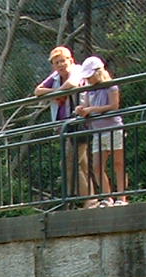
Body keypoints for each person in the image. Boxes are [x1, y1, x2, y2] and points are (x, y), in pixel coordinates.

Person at [34, 46, 92, 207]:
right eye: (56, 62)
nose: (60, 65)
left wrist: (57, 92)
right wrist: (57, 91)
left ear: (70, 60)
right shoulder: (55, 77)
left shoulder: (78, 70)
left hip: (80, 122)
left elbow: (73, 83)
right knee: (82, 164)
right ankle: (92, 198)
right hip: (66, 126)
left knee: (69, 163)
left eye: (62, 61)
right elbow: (37, 91)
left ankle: (86, 201)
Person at [75, 57, 128, 205]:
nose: (88, 79)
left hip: (113, 128)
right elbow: (85, 106)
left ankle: (122, 197)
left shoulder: (111, 87)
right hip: (97, 131)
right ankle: (107, 197)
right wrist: (81, 110)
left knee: (118, 163)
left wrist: (93, 110)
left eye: (90, 76)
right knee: (97, 166)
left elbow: (114, 106)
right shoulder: (87, 90)